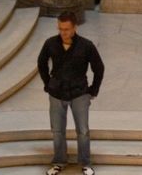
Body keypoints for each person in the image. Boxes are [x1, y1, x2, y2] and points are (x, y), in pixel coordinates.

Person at [36, 10, 104, 175]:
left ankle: (85, 163)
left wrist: (93, 90)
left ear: (75, 27)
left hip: (79, 92)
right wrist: (48, 84)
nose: (63, 33)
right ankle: (59, 161)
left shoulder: (86, 45)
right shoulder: (50, 43)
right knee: (57, 130)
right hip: (56, 93)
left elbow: (99, 68)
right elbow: (41, 63)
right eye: (60, 29)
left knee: (83, 130)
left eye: (66, 29)